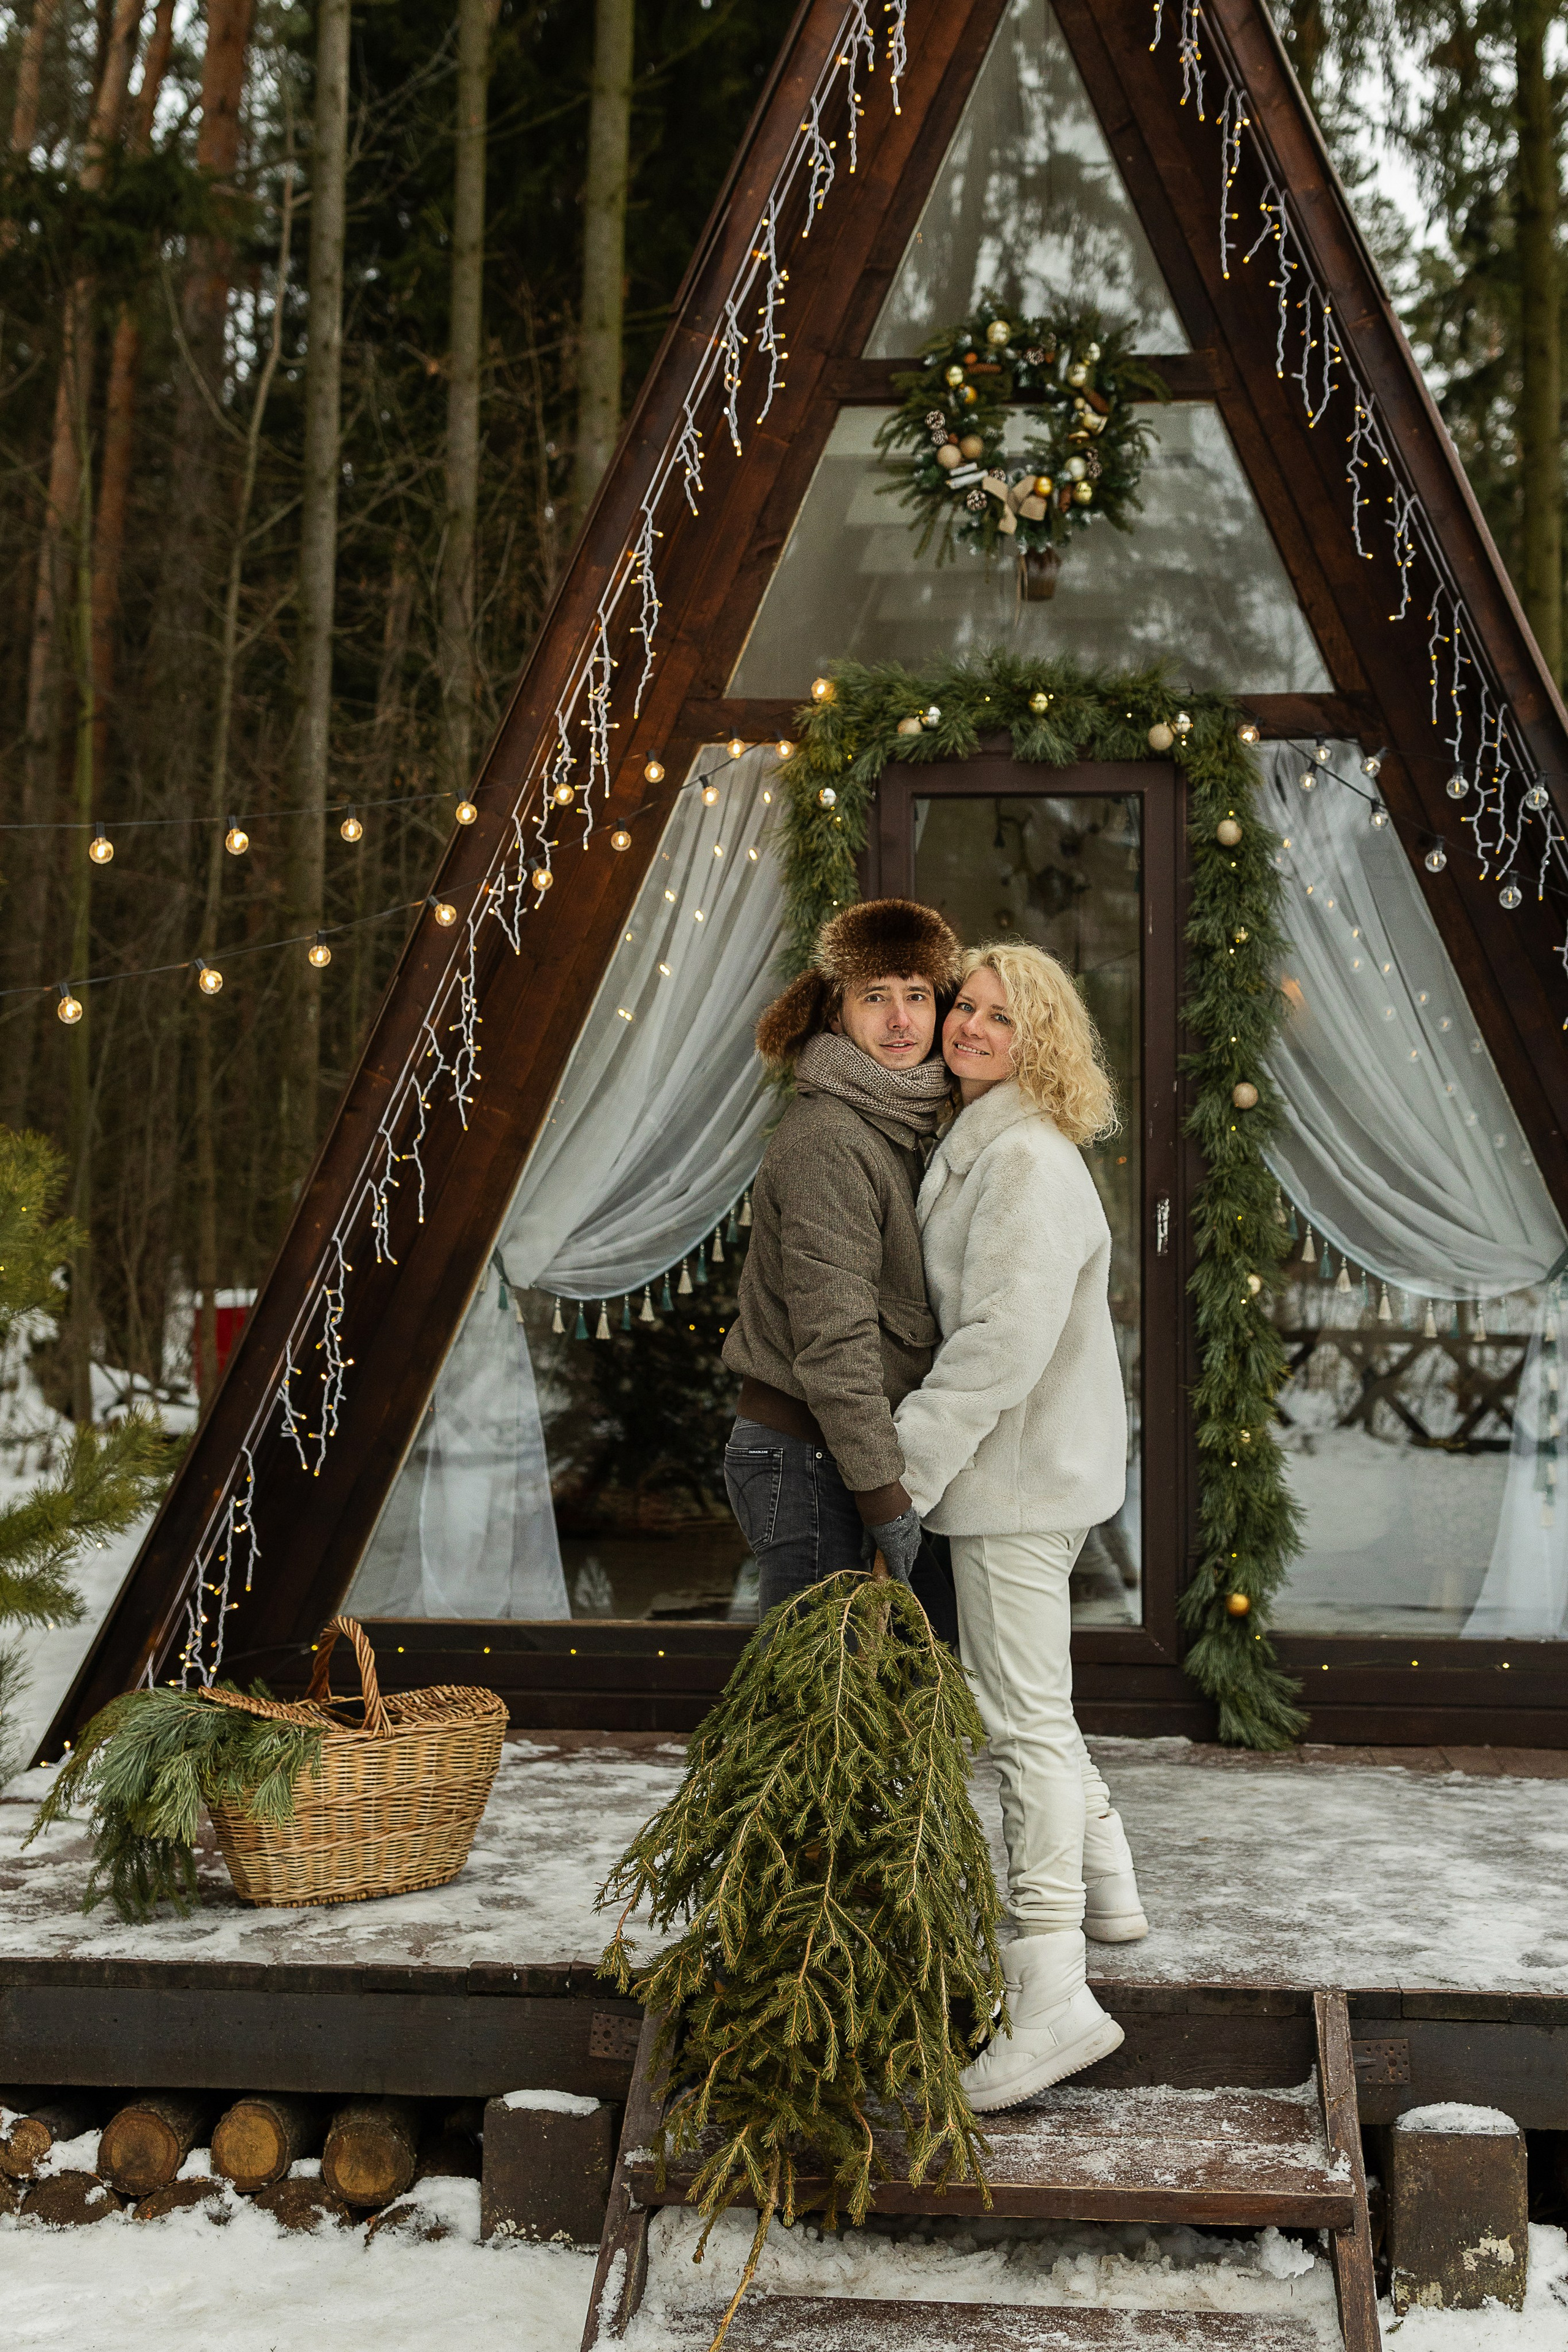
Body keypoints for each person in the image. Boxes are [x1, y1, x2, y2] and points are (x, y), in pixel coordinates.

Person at [893, 941, 1148, 2112]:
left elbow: (1001, 1340)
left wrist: (909, 1458)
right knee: (1035, 1697)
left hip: (1010, 1478)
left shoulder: (1029, 1165)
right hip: (1022, 1474)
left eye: (1001, 1017)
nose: (970, 1028)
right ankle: (1109, 1884)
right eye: (967, 1008)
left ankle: (1052, 1994)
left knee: (1020, 1721)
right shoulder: (988, 1141)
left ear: (1040, 1039)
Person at [721, 899, 962, 1615]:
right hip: (807, 1457)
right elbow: (835, 1341)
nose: (900, 1020)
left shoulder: (905, 1124)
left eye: (916, 996)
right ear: (835, 1013)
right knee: (811, 1707)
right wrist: (888, 1502)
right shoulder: (832, 1137)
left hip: (845, 1453)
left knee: (846, 1704)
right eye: (875, 997)